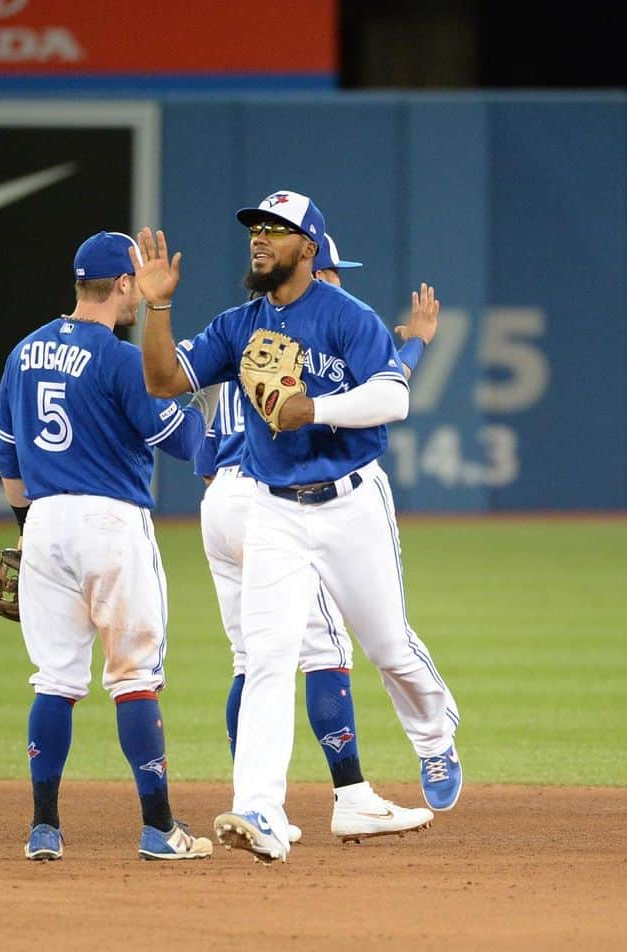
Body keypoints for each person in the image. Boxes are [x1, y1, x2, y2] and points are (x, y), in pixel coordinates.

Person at [131, 191, 462, 864]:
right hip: (275, 508)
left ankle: (433, 737)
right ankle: (260, 809)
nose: (260, 238)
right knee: (268, 659)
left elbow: (394, 396)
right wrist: (157, 305)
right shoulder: (236, 325)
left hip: (351, 503)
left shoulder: (347, 316)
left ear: (308, 248)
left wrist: (313, 409)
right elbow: (164, 378)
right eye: (255, 227)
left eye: (276, 230)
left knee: (388, 644)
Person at [192, 230, 439, 842]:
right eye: (335, 271)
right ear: (315, 267)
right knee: (320, 650)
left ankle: (258, 801)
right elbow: (363, 395)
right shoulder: (309, 334)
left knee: (254, 658)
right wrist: (412, 350)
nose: (338, 282)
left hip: (221, 496)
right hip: (270, 496)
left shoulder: (244, 336)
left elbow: (191, 432)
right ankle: (346, 794)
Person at [0, 230, 218, 863]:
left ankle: (44, 828)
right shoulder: (122, 359)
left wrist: (24, 524)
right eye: (132, 287)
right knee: (134, 678)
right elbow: (174, 435)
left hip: (44, 522)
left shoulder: (24, 352)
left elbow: (7, 453)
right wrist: (208, 427)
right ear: (124, 285)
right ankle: (159, 828)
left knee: (55, 680)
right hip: (110, 524)